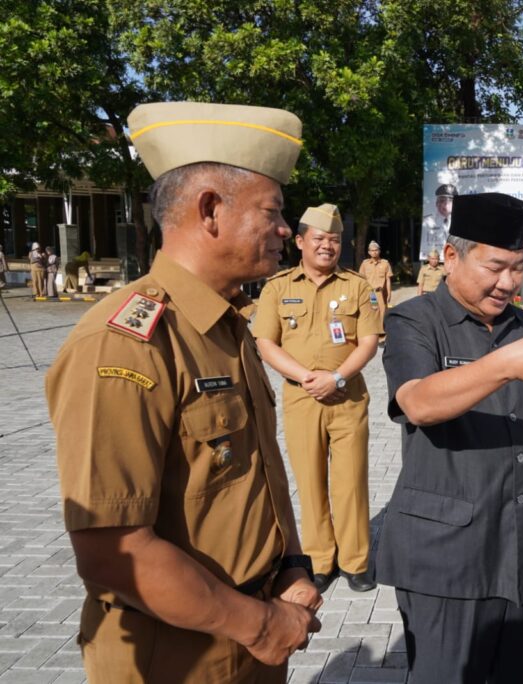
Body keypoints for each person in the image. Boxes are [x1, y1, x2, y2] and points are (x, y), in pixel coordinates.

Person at [45, 101, 321, 682]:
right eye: (272, 211)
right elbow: (111, 549)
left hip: (253, 630)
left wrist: (292, 565)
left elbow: (258, 473)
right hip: (175, 656)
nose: (284, 230)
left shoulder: (228, 326)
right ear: (210, 209)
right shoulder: (124, 343)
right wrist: (262, 626)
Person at [377, 192, 523, 682]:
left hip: (519, 543)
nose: (508, 282)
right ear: (451, 257)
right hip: (445, 554)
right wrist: (507, 363)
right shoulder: (414, 320)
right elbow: (418, 402)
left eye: (519, 268)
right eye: (494, 266)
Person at [253, 202, 380, 594]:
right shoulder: (278, 287)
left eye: (335, 240)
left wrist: (337, 377)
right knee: (309, 482)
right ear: (301, 241)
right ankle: (320, 560)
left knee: (351, 481)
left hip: (347, 398)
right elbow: (265, 342)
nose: (328, 246)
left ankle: (355, 561)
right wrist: (306, 376)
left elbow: (370, 341)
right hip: (301, 398)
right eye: (320, 239)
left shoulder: (357, 286)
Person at [358, 240, 392, 336]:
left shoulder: (385, 263)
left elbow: (388, 279)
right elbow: (361, 279)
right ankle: (371, 332)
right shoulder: (365, 264)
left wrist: (389, 293)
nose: (374, 252)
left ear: (379, 251)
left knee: (382, 312)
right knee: (371, 311)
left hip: (380, 293)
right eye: (372, 250)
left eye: (376, 250)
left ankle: (381, 334)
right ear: (369, 252)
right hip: (370, 293)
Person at [421, 184, 457, 258]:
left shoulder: (461, 221)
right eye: (442, 201)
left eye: (450, 201)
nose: (445, 205)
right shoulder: (427, 221)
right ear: (437, 203)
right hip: (437, 260)